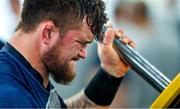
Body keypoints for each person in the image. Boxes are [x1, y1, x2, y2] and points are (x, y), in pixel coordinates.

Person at [0, 0, 135, 108]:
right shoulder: (10, 97)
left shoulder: (27, 76)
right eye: (81, 42)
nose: (84, 54)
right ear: (48, 33)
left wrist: (111, 72)